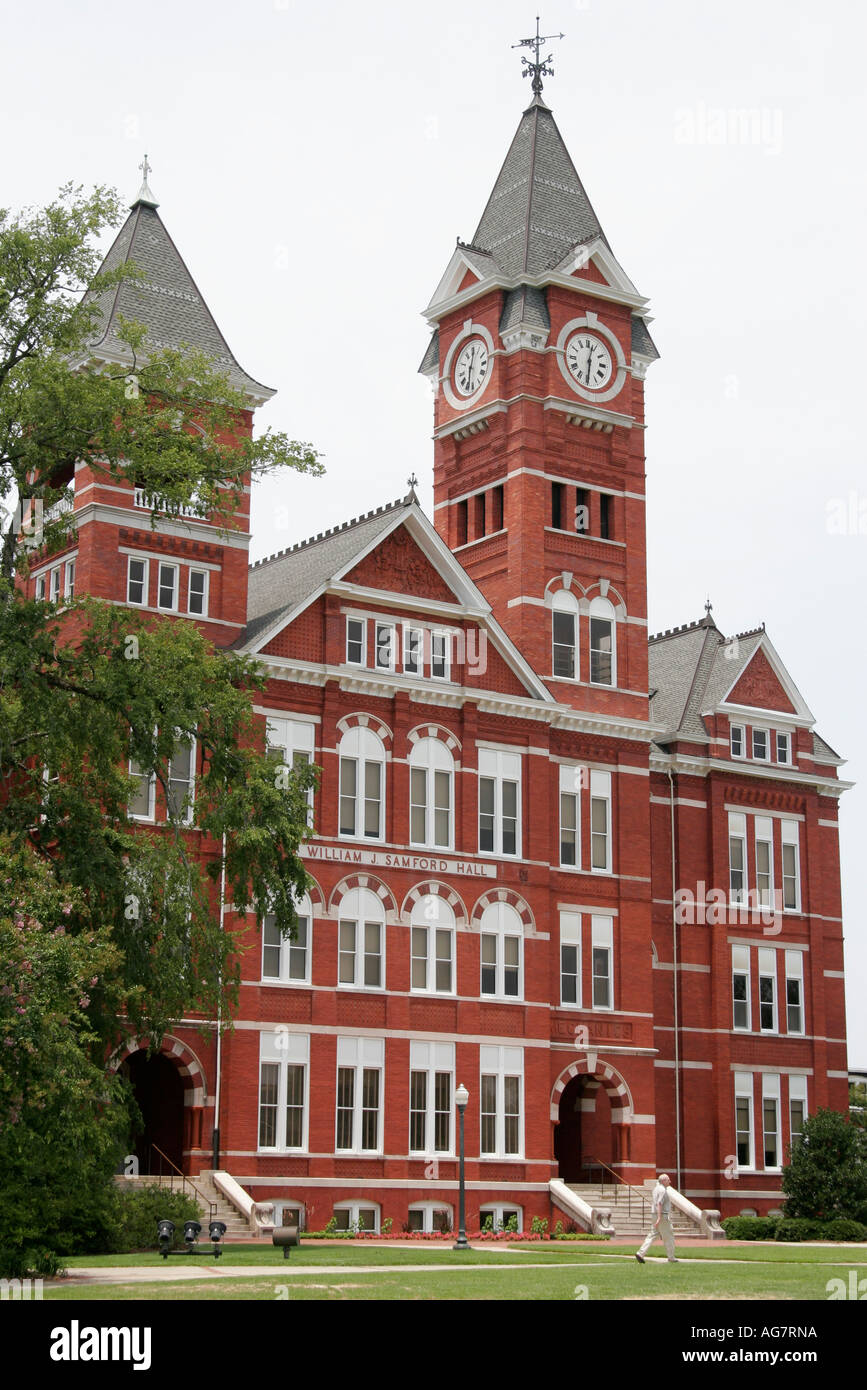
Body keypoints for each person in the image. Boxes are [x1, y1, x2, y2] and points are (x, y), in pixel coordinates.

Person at [635, 1173, 678, 1263]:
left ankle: (640, 1253)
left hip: (654, 1214)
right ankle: (671, 1257)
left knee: (652, 1235)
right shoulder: (662, 1190)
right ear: (663, 1181)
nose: (670, 1181)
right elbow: (659, 1203)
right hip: (662, 1215)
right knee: (669, 1236)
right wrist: (659, 1217)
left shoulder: (656, 1189)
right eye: (668, 1180)